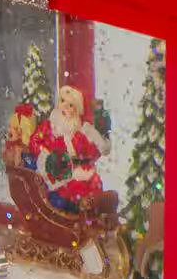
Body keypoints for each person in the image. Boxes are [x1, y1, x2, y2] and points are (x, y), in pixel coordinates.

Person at [25, 85, 112, 213]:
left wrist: (98, 138)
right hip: (52, 171)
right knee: (67, 190)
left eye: (70, 105)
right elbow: (34, 142)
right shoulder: (49, 126)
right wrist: (47, 155)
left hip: (70, 171)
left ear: (76, 110)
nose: (65, 107)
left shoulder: (77, 133)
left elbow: (90, 152)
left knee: (90, 182)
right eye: (62, 101)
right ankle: (76, 207)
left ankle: (91, 207)